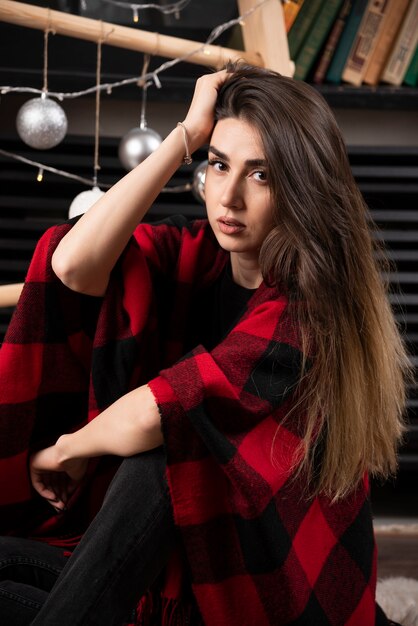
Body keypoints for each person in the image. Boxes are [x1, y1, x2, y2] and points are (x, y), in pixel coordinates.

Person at [0, 63, 410, 626]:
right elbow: (70, 264)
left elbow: (163, 409)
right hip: (174, 567)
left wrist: (68, 449)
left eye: (261, 175)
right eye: (219, 165)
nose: (230, 197)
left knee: (167, 444)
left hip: (260, 583)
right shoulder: (195, 258)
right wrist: (184, 139)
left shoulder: (308, 311)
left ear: (303, 188)